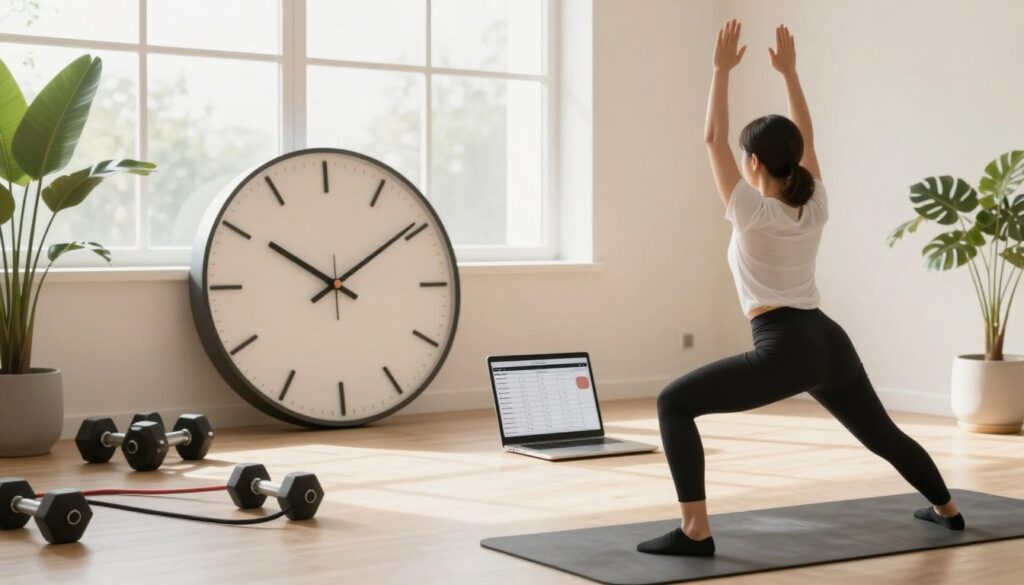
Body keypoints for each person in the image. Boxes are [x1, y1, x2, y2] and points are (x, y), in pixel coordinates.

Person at [637, 20, 964, 557]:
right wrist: (791, 74)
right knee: (882, 434)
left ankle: (696, 532)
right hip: (827, 339)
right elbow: (804, 139)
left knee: (673, 402)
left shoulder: (750, 210)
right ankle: (948, 510)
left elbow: (711, 138)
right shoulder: (814, 204)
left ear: (754, 164)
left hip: (784, 344)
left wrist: (719, 72)